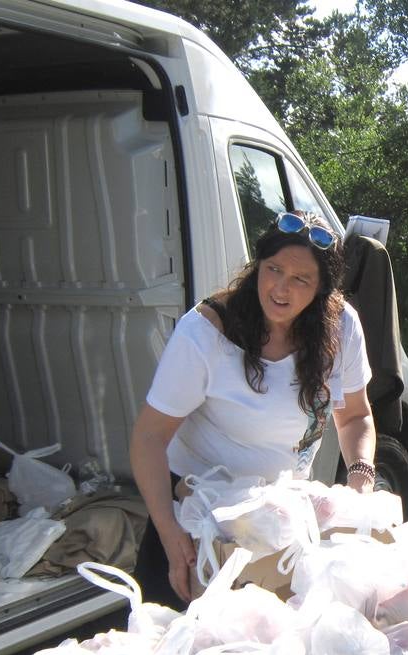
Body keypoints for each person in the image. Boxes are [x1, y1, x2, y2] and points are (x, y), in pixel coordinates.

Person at [130, 210, 377, 607]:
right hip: (198, 523)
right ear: (256, 265)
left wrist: (361, 478)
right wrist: (169, 531)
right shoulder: (206, 333)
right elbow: (148, 438)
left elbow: (355, 417)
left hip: (280, 524)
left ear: (322, 290)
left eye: (300, 279)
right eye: (273, 269)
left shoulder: (340, 328)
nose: (281, 288)